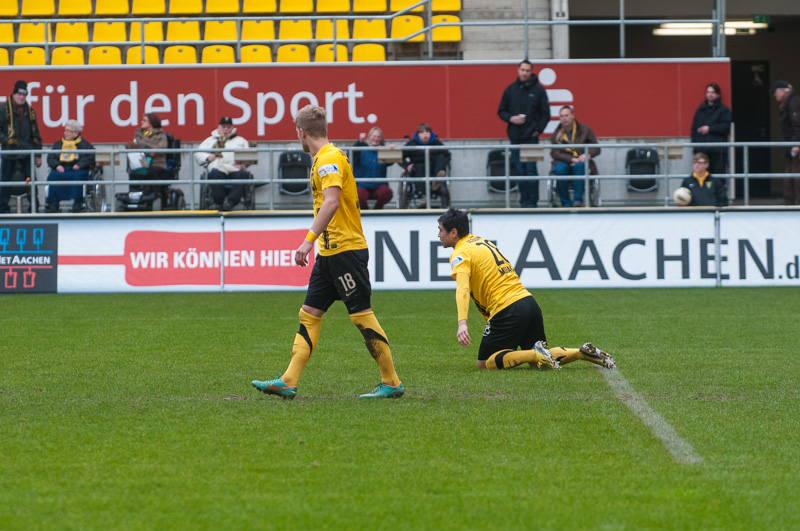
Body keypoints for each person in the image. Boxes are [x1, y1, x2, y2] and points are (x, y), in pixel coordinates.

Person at [252, 104, 405, 400]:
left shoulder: (328, 159)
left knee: (361, 316)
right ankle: (288, 381)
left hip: (345, 251)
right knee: (309, 313)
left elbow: (331, 202)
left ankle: (392, 381)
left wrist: (308, 240)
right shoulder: (324, 158)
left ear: (301, 132)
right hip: (329, 253)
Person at [437, 207, 616, 371]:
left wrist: (462, 323)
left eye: (441, 230)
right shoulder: (482, 241)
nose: (438, 235)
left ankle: (537, 354)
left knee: (484, 363)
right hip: (528, 302)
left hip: (506, 309)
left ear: (454, 232)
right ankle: (581, 352)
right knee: (536, 364)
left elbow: (462, 288)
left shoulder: (460, 253)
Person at [497, 60, 550, 208]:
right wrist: (511, 118)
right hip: (515, 138)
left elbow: (545, 113)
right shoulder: (510, 90)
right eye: (523, 70)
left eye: (527, 70)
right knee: (519, 171)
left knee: (531, 170)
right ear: (518, 70)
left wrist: (537, 130)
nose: (525, 73)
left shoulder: (539, 90)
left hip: (531, 138)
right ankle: (524, 202)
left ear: (531, 72)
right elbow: (501, 111)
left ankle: (532, 203)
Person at [0, 80, 42, 213]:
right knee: (6, 181)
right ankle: (3, 208)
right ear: (13, 94)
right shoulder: (3, 109)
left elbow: (35, 133)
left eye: (24, 95)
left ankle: (33, 208)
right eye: (19, 94)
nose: (22, 97)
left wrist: (38, 154)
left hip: (27, 151)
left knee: (31, 181)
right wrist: (6, 140)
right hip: (9, 152)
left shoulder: (30, 111)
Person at [194, 116, 250, 211]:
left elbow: (248, 156)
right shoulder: (210, 141)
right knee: (214, 174)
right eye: (223, 127)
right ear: (219, 127)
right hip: (218, 167)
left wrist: (243, 164)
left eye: (228, 127)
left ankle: (231, 202)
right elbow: (198, 154)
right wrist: (207, 157)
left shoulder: (241, 141)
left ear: (232, 128)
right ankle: (218, 202)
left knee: (242, 175)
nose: (226, 129)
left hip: (234, 168)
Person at [550, 105, 600, 208]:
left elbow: (596, 148)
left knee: (580, 166)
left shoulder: (585, 130)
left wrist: (587, 154)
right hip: (563, 161)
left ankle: (577, 201)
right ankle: (565, 203)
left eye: (566, 115)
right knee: (559, 169)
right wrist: (571, 159)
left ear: (573, 116)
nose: (564, 118)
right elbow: (554, 153)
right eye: (561, 116)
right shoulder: (557, 133)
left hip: (580, 161)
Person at [45, 120, 95, 213]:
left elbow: (90, 158)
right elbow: (51, 158)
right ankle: (53, 204)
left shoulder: (85, 145)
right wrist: (57, 165)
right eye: (65, 130)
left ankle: (77, 203)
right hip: (62, 168)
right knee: (53, 175)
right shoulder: (58, 144)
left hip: (77, 169)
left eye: (68, 131)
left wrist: (80, 165)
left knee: (79, 176)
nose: (65, 133)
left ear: (76, 133)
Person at [401, 123, 450, 208]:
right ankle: (423, 194)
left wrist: (443, 163)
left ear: (430, 134)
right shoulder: (411, 144)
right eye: (422, 132)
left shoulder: (436, 143)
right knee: (420, 167)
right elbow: (400, 157)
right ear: (417, 134)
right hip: (418, 168)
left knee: (441, 156)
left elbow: (447, 155)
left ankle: (437, 180)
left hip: (434, 168)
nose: (425, 134)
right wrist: (407, 165)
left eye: (427, 132)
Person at [125, 113, 169, 209]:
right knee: (133, 170)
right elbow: (136, 145)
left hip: (157, 162)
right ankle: (133, 194)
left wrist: (148, 148)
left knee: (151, 170)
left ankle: (157, 193)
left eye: (144, 120)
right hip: (141, 162)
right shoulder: (138, 133)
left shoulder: (161, 134)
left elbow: (162, 147)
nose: (142, 122)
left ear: (151, 122)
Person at [690, 82, 732, 175]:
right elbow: (694, 129)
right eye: (708, 92)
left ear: (718, 94)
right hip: (702, 152)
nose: (710, 94)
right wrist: (695, 147)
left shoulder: (723, 110)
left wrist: (710, 129)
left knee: (718, 177)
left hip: (718, 151)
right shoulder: (700, 110)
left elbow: (726, 127)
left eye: (713, 92)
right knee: (702, 177)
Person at [771, 80, 800, 205]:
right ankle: (789, 201)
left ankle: (793, 202)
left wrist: (796, 144)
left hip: (794, 144)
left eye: (776, 92)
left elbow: (797, 124)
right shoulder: (789, 103)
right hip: (790, 144)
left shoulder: (793, 103)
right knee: (790, 173)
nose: (775, 95)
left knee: (795, 174)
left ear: (784, 91)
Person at [353, 126, 393, 210]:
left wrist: (391, 150)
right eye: (374, 136)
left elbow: (391, 161)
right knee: (358, 195)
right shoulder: (361, 149)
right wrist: (359, 142)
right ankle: (365, 211)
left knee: (387, 193)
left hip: (379, 185)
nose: (376, 138)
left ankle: (377, 210)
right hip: (363, 185)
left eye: (378, 137)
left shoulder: (382, 151)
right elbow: (352, 156)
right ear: (369, 137)